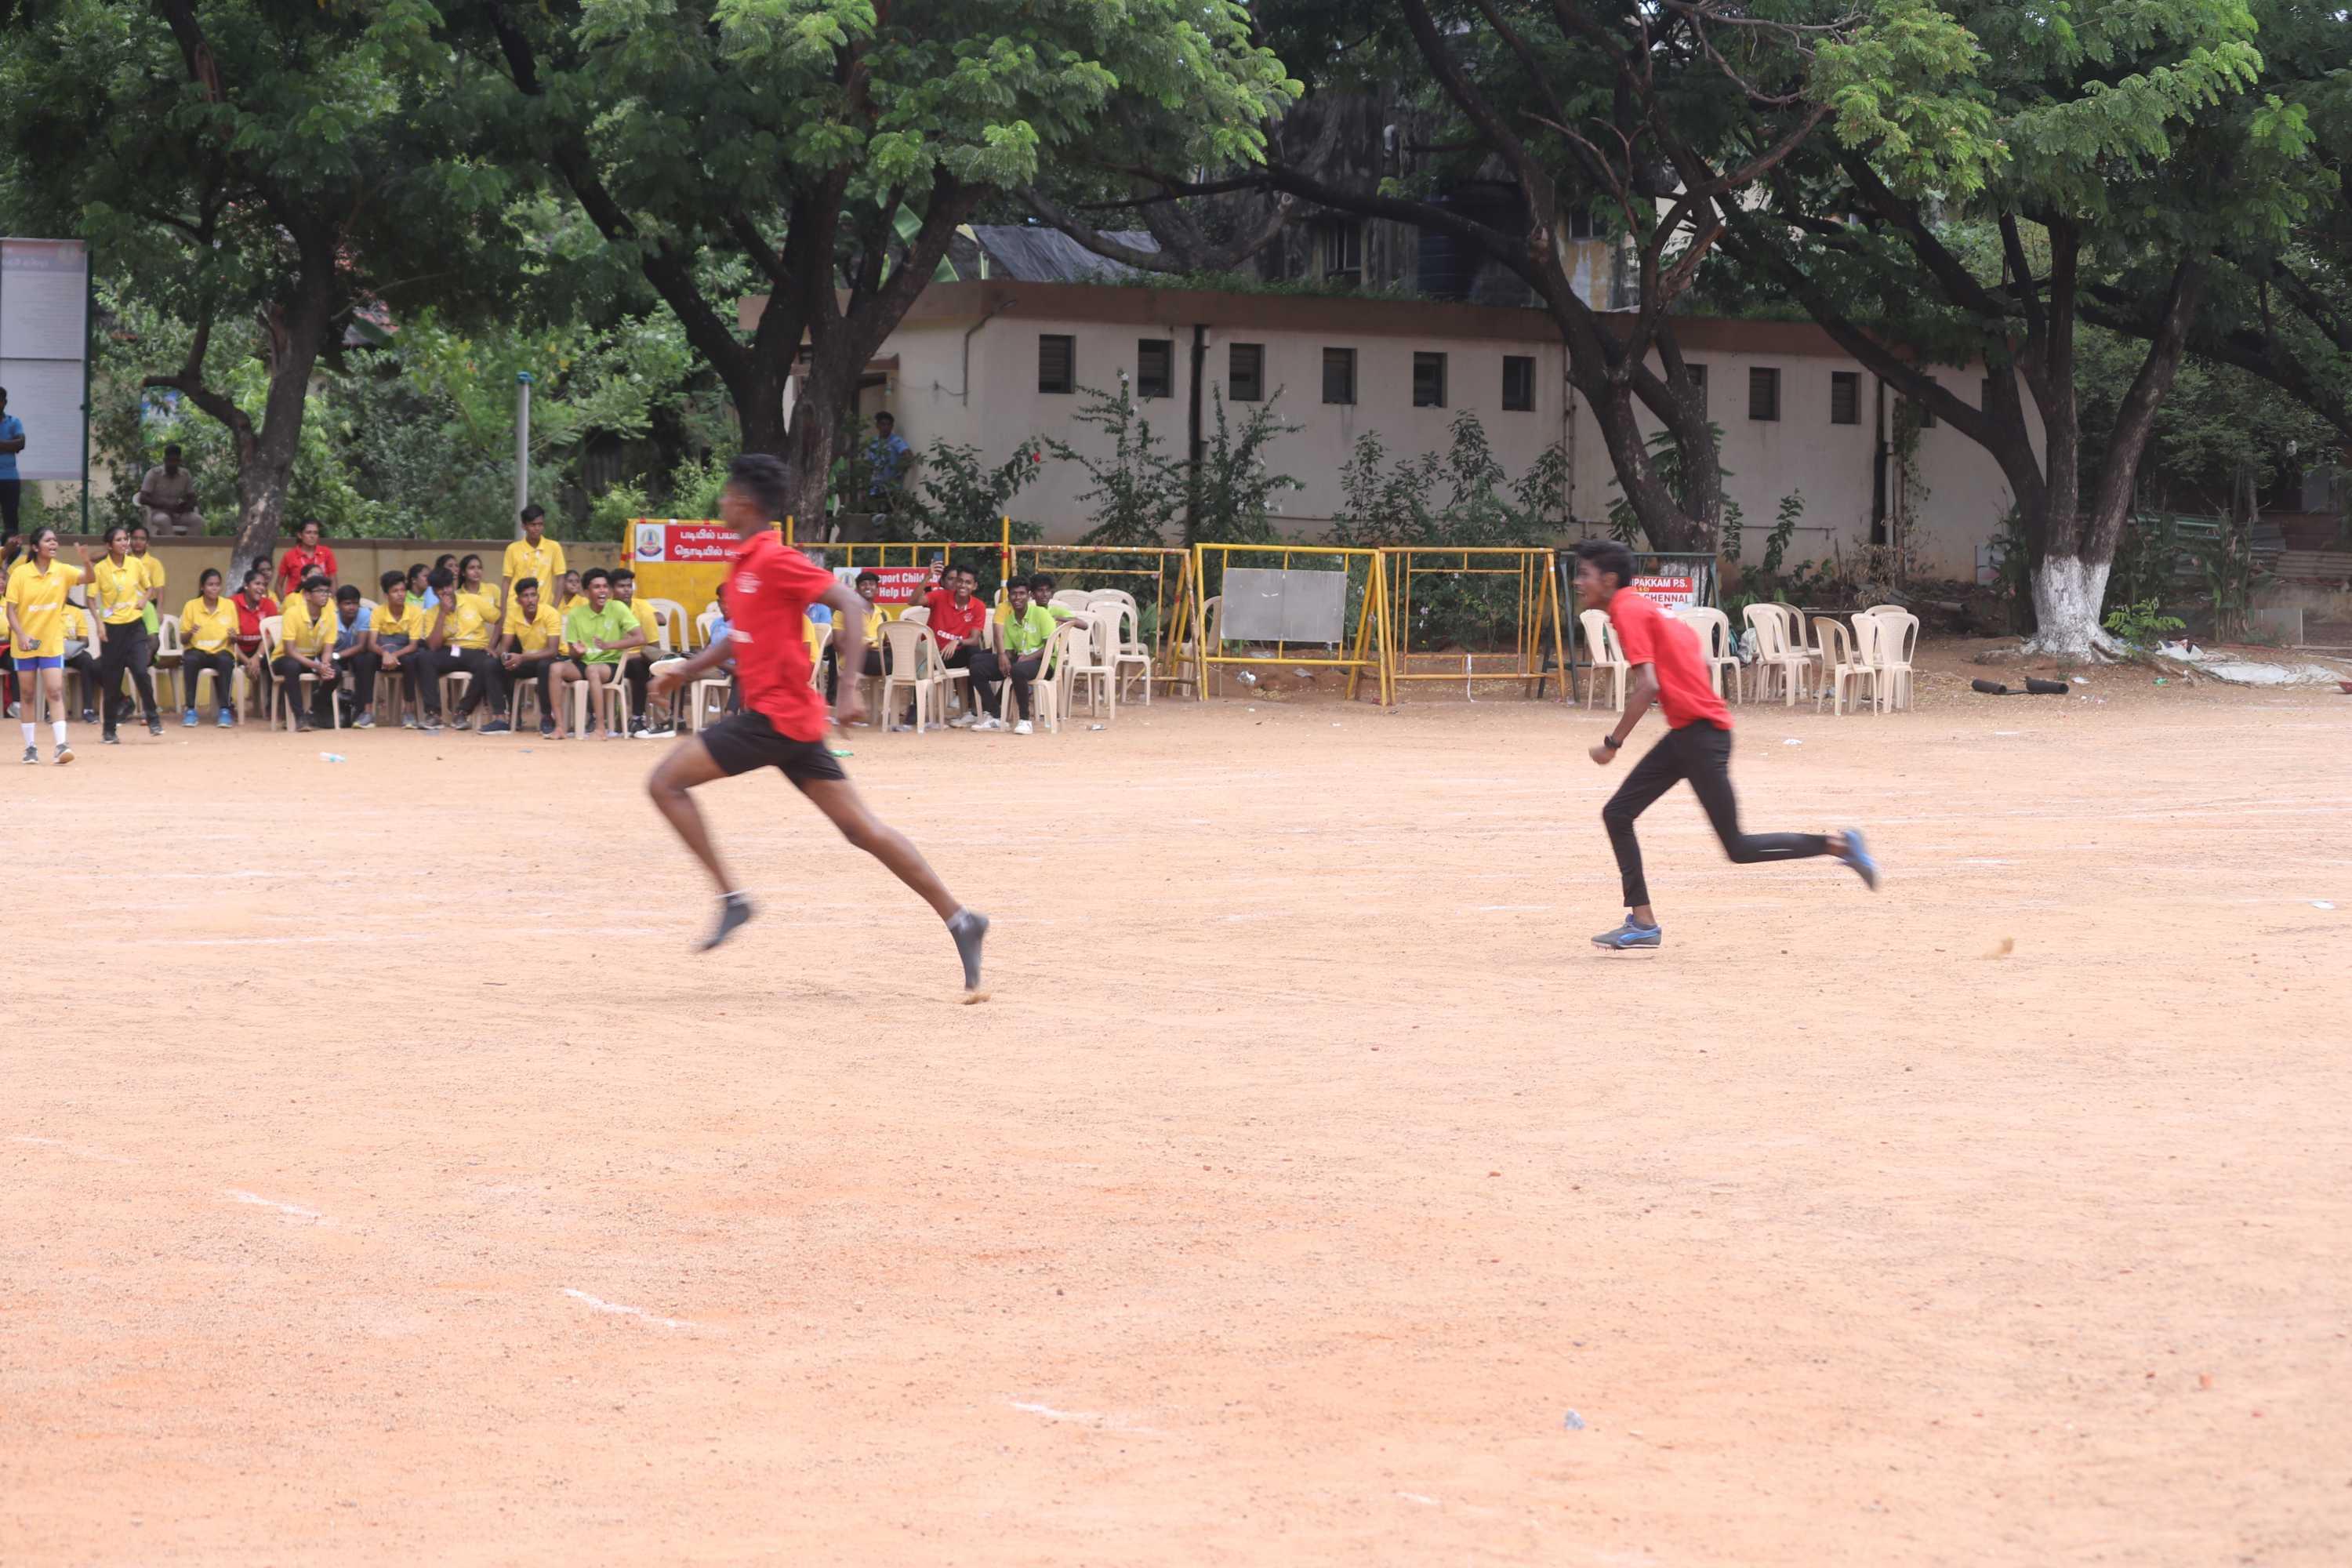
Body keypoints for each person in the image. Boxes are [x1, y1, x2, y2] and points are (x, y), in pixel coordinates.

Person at [645, 452, 988, 986]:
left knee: (665, 783)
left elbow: (851, 603)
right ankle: (961, 918)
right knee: (862, 830)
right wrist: (684, 671)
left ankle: (733, 898)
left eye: (726, 496)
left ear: (743, 502)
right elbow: (740, 636)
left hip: (775, 719)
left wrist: (848, 688)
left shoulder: (776, 559)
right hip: (791, 724)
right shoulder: (744, 567)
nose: (720, 504)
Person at [1574, 539, 1880, 949]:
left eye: (1585, 574)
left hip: (1700, 737)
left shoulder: (1628, 610)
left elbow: (1648, 684)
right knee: (1618, 813)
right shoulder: (1646, 607)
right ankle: (1643, 922)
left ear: (1608, 580)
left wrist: (1613, 743)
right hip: (1691, 733)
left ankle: (1839, 844)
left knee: (1738, 847)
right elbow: (1695, 655)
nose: (1579, 582)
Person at [5, 527, 88, 764]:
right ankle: (30, 748)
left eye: (55, 541)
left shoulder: (62, 570)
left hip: (51, 643)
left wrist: (85, 561)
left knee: (54, 691)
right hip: (25, 644)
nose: (53, 544)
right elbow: (11, 610)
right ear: (35, 546)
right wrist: (20, 635)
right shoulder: (20, 574)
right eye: (48, 540)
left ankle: (62, 746)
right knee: (29, 695)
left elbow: (89, 578)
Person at [416, 565, 510, 733]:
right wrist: (442, 614)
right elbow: (434, 646)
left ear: (453, 585)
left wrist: (493, 645)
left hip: (475, 650)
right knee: (424, 658)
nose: (445, 592)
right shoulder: (431, 613)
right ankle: (434, 714)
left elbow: (500, 619)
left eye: (447, 586)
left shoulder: (472, 600)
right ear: (434, 592)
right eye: (440, 589)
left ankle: (462, 712)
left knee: (488, 664)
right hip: (448, 650)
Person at [552, 567, 644, 738]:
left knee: (592, 670)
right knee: (555, 669)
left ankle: (600, 728)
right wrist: (577, 652)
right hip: (584, 662)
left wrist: (610, 645)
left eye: (605, 587)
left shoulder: (617, 607)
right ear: (586, 592)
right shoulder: (576, 614)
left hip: (611, 664)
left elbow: (640, 638)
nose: (603, 591)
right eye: (597, 587)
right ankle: (559, 727)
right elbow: (573, 655)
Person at [92, 524, 162, 742]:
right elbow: (91, 598)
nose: (125, 543)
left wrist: (143, 599)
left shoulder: (136, 564)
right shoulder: (101, 569)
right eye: (119, 540)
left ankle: (153, 718)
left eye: (126, 539)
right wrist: (99, 624)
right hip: (112, 629)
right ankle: (109, 731)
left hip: (134, 626)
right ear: (109, 545)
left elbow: (149, 587)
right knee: (112, 681)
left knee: (141, 671)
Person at [913, 562, 996, 728]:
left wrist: (957, 641)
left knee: (976, 655)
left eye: (968, 582)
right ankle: (915, 709)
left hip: (956, 654)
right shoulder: (940, 596)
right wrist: (927, 577)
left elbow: (974, 639)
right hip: (933, 655)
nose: (962, 585)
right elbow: (912, 601)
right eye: (960, 581)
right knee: (923, 655)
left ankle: (972, 711)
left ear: (974, 586)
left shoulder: (978, 606)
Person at [495, 576, 567, 736]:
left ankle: (547, 717)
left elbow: (552, 650)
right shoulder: (513, 614)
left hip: (554, 659)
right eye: (525, 596)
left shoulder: (550, 613)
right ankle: (508, 717)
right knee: (495, 666)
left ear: (538, 597)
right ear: (518, 600)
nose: (530, 600)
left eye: (533, 595)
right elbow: (505, 647)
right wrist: (505, 659)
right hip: (529, 660)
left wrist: (521, 658)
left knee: (544, 665)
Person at [271, 574, 341, 732]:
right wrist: (316, 666)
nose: (325, 596)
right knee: (292, 667)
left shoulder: (330, 615)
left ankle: (314, 707)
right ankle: (299, 716)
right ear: (307, 595)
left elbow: (328, 649)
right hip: (285, 658)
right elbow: (290, 650)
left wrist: (324, 664)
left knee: (335, 671)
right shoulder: (293, 613)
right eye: (320, 591)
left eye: (327, 592)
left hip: (314, 660)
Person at [995, 578, 1060, 735]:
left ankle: (1025, 720)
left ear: (1029, 596)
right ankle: (993, 714)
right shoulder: (1010, 619)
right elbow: (1010, 652)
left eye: (1022, 594)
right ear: (1008, 597)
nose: (1018, 598)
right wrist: (1002, 658)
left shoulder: (1041, 614)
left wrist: (1027, 658)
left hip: (1046, 664)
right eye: (1014, 594)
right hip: (1022, 661)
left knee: (1018, 670)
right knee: (978, 662)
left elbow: (1049, 648)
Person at [176, 568, 241, 727]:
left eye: (217, 585)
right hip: (197, 651)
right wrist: (190, 632)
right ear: (202, 587)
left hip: (221, 651)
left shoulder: (228, 605)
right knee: (190, 660)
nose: (214, 588)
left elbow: (235, 638)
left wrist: (234, 637)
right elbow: (183, 639)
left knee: (226, 661)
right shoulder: (191, 606)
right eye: (210, 585)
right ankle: (190, 709)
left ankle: (225, 710)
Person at [609, 567, 668, 733]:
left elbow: (653, 648)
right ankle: (604, 717)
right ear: (612, 590)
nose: (627, 590)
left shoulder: (643, 607)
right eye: (621, 586)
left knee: (663, 666)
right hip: (612, 659)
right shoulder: (606, 609)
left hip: (638, 660)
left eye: (629, 586)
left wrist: (632, 654)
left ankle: (640, 718)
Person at [822, 568, 887, 707]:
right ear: (857, 590)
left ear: (877, 589)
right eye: (864, 584)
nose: (868, 587)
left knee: (907, 661)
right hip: (853, 659)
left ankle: (908, 711)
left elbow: (889, 641)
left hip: (878, 658)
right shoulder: (842, 612)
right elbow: (838, 645)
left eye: (872, 584)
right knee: (891, 662)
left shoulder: (884, 614)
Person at [371, 569, 426, 728]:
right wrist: (385, 654)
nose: (400, 594)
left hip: (405, 650)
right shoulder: (378, 611)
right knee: (365, 659)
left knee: (410, 661)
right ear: (386, 595)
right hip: (384, 649)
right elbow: (371, 643)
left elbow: (413, 645)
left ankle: (408, 712)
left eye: (403, 590)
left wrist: (393, 655)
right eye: (395, 591)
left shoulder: (414, 611)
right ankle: (366, 712)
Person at [230, 565, 279, 720]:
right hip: (236, 649)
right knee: (224, 660)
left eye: (264, 585)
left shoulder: (269, 604)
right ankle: (227, 706)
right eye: (257, 584)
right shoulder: (231, 603)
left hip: (260, 649)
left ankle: (272, 706)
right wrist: (248, 661)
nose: (261, 588)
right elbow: (229, 638)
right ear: (246, 585)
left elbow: (270, 635)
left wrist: (257, 657)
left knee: (277, 660)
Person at [330, 583, 380, 728]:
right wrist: (333, 657)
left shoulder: (364, 614)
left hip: (352, 654)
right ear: (338, 605)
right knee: (328, 668)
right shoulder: (332, 618)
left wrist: (337, 656)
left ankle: (364, 711)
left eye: (355, 603)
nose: (352, 607)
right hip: (334, 654)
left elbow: (361, 646)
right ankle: (327, 711)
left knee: (366, 659)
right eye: (347, 604)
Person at [501, 504, 566, 609]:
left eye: (540, 524)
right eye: (533, 525)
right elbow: (506, 581)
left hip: (544, 608)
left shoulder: (554, 547)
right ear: (524, 526)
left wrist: (554, 608)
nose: (537, 528)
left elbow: (561, 579)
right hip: (516, 608)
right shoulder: (512, 549)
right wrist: (503, 611)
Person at [137, 444, 203, 535]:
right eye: (170, 461)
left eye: (176, 461)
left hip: (178, 513)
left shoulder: (185, 474)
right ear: (165, 460)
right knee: (164, 520)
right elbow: (143, 498)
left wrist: (186, 506)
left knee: (198, 520)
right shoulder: (154, 474)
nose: (173, 464)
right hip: (158, 513)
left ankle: (190, 547)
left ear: (180, 461)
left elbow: (192, 498)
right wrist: (165, 505)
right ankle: (172, 547)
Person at [274, 518, 338, 598]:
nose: (312, 536)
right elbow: (278, 586)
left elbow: (333, 581)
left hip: (321, 601)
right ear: (300, 535)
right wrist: (286, 604)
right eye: (308, 533)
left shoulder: (326, 552)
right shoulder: (289, 555)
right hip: (296, 601)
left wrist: (329, 600)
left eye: (315, 533)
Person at [866, 411, 913, 509]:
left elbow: (909, 456)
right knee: (874, 519)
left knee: (889, 520)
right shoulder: (873, 443)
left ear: (892, 426)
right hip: (875, 489)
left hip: (892, 490)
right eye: (883, 424)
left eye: (889, 425)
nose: (886, 427)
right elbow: (869, 465)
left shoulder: (896, 441)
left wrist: (899, 472)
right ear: (877, 426)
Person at [128, 523, 166, 638]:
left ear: (147, 543)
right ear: (129, 540)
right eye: (135, 538)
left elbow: (159, 588)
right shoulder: (123, 559)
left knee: (150, 638)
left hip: (148, 605)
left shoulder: (154, 563)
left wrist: (159, 610)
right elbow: (93, 558)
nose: (138, 542)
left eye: (142, 539)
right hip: (127, 605)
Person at [0, 387, 24, 535]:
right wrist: (9, 444)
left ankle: (13, 555)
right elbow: (15, 444)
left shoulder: (14, 422)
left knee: (11, 521)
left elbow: (21, 444)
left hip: (10, 478)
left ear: (4, 402)